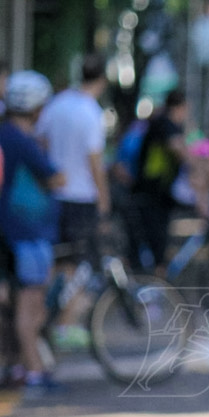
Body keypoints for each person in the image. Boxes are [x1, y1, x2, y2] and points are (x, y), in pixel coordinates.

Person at [0, 71, 66, 396]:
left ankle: (17, 366)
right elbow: (56, 178)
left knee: (17, 304)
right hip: (25, 232)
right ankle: (34, 371)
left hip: (11, 231)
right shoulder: (23, 141)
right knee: (31, 305)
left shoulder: (4, 134)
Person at [36, 53, 111, 271]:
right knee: (77, 265)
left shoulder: (57, 103)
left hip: (54, 194)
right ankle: (70, 305)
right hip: (81, 198)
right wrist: (104, 201)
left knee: (56, 260)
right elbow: (95, 162)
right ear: (102, 80)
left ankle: (50, 304)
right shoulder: (92, 113)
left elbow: (40, 141)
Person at [131, 89, 189, 275]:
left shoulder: (159, 122)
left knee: (152, 241)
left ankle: (152, 280)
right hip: (153, 193)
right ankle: (154, 285)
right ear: (182, 107)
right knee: (156, 243)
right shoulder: (166, 124)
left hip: (154, 192)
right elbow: (180, 152)